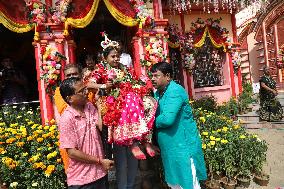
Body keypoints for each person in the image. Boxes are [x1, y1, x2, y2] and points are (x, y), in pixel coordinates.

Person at [150, 62, 207, 189]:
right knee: (174, 183)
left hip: (182, 146)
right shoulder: (158, 93)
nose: (152, 79)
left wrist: (148, 121)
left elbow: (167, 120)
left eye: (156, 76)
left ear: (168, 76)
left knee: (188, 183)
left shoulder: (175, 91)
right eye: (151, 76)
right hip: (170, 148)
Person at [58, 77, 114, 189]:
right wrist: (99, 161)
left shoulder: (89, 106)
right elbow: (72, 152)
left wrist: (98, 105)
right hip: (81, 180)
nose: (86, 92)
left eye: (85, 88)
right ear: (70, 98)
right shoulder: (67, 118)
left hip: (100, 174)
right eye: (81, 91)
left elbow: (101, 126)